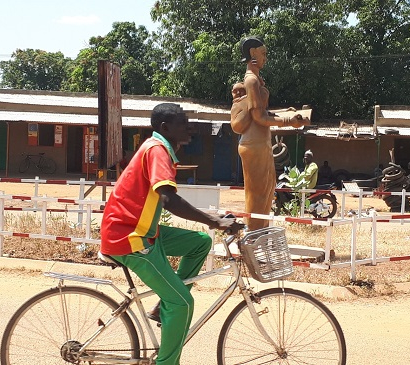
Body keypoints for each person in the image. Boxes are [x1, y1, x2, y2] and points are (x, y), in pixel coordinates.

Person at [100, 103, 242, 365]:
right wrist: (214, 220)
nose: (188, 127)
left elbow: (169, 199)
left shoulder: (160, 148)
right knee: (183, 303)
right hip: (129, 237)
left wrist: (215, 220)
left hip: (142, 230)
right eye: (182, 123)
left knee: (200, 242)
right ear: (165, 128)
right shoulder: (157, 150)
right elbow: (169, 201)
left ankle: (163, 307)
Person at [230, 36, 309, 230]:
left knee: (266, 192)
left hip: (260, 142)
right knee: (258, 194)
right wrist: (288, 121)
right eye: (263, 53)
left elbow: (263, 113)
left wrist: (287, 113)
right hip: (253, 144)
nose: (265, 57)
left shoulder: (256, 80)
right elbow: (259, 117)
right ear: (252, 53)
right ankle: (255, 236)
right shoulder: (251, 80)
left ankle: (260, 233)